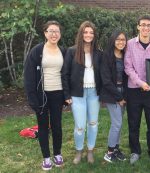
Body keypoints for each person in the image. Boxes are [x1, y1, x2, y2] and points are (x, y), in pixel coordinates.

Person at [24, 20, 65, 171]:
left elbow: (66, 74)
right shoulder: (37, 51)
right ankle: (46, 158)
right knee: (43, 127)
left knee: (57, 126)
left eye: (57, 31)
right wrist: (32, 98)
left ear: (60, 34)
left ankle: (58, 154)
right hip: (42, 95)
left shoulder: (63, 51)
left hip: (58, 94)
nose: (54, 34)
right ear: (45, 33)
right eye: (51, 31)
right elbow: (28, 76)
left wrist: (66, 95)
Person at [124, 15, 150, 164]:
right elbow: (128, 67)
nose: (146, 28)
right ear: (138, 27)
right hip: (134, 90)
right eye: (143, 25)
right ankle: (135, 151)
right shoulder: (129, 44)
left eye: (148, 25)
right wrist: (140, 83)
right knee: (134, 123)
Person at [62, 21, 102, 164]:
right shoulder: (72, 51)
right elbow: (65, 74)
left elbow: (103, 75)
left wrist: (102, 93)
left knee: (93, 123)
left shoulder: (98, 53)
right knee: (80, 126)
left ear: (94, 35)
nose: (88, 35)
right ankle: (79, 151)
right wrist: (66, 95)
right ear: (81, 34)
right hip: (77, 94)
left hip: (94, 94)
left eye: (91, 32)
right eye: (85, 32)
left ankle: (90, 150)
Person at [101, 30, 127, 163]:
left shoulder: (125, 55)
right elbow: (106, 80)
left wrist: (125, 95)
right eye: (118, 39)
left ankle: (116, 149)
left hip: (123, 91)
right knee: (116, 123)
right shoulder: (106, 56)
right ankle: (109, 152)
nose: (121, 42)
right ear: (113, 40)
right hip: (112, 93)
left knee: (119, 123)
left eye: (123, 39)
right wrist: (119, 97)